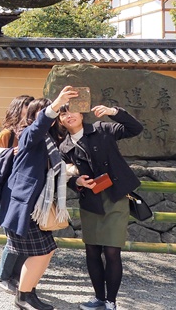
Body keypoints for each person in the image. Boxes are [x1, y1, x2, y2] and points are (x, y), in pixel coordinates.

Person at [56, 98, 143, 310]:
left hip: (115, 197)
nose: (69, 115)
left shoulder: (102, 128)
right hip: (90, 200)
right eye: (63, 113)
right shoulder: (64, 146)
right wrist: (75, 181)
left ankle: (111, 302)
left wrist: (114, 111)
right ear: (60, 120)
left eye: (72, 111)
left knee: (112, 251)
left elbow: (135, 128)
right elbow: (62, 174)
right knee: (92, 250)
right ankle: (98, 298)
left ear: (82, 113)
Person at [0, 86, 75, 310]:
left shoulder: (48, 142)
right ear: (34, 116)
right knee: (41, 251)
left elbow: (53, 171)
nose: (53, 117)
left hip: (36, 206)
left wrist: (75, 177)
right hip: (25, 205)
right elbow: (41, 124)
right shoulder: (28, 135)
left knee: (46, 249)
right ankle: (23, 296)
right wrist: (56, 104)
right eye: (47, 113)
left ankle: (28, 292)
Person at [0, 94, 34, 294]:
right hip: (5, 191)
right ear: (18, 109)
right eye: (27, 106)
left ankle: (17, 277)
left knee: (23, 235)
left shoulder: (32, 132)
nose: (30, 110)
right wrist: (11, 153)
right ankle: (2, 277)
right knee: (13, 237)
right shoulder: (7, 134)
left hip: (22, 192)